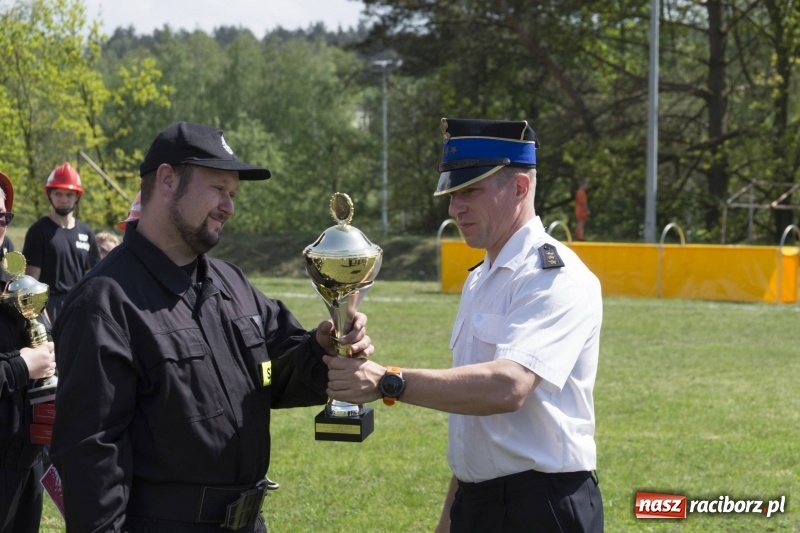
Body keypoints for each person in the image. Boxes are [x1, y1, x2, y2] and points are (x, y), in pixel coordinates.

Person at [49, 121, 373, 533]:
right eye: (219, 189)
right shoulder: (104, 303)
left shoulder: (231, 283)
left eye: (233, 194)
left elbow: (276, 374)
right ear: (168, 180)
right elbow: (90, 459)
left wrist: (326, 348)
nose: (228, 207)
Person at [325, 118, 604, 532]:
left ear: (520, 188)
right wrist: (449, 521)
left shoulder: (554, 276)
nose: (454, 208)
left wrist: (388, 381)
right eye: (453, 194)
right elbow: (475, 426)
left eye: (470, 191)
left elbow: (507, 387)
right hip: (477, 504)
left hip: (542, 508)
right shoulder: (481, 278)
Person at [0, 171, 58, 533]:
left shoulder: (14, 277)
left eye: (1, 217)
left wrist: (48, 351)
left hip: (27, 458)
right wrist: (23, 364)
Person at [22, 162, 101, 321]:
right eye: (58, 194)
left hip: (81, 306)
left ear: (77, 196)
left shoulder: (87, 233)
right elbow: (30, 282)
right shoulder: (38, 231)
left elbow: (93, 279)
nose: (63, 199)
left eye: (69, 195)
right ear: (49, 195)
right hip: (48, 307)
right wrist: (39, 317)